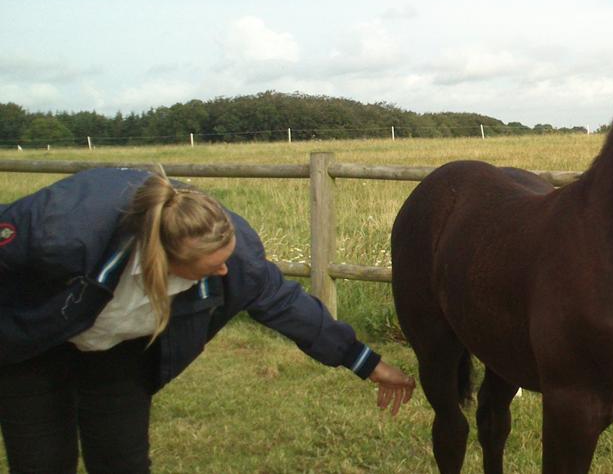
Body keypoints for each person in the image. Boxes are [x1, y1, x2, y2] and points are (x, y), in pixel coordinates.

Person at [0, 167, 414, 473]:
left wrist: (368, 363)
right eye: (209, 266)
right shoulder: (61, 231)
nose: (223, 272)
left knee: (121, 460)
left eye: (226, 260)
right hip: (36, 345)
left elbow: (290, 306)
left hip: (120, 353)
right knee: (40, 461)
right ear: (163, 261)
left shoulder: (236, 260)